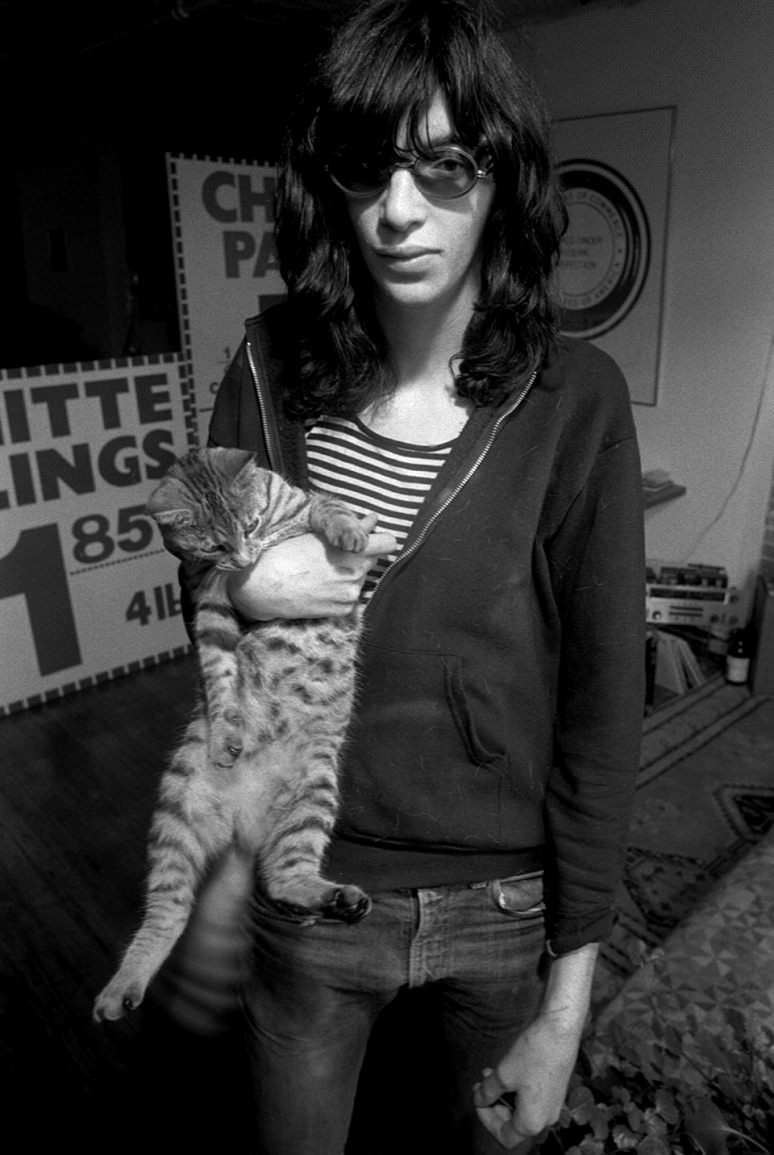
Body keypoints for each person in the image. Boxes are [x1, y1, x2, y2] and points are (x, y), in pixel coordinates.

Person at [178, 0, 646, 1150]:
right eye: (365, 166)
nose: (397, 210)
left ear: (502, 180)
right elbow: (192, 531)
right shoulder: (270, 363)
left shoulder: (574, 404)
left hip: (500, 913)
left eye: (444, 166)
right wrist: (238, 585)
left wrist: (566, 1011)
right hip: (310, 891)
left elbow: (600, 718)